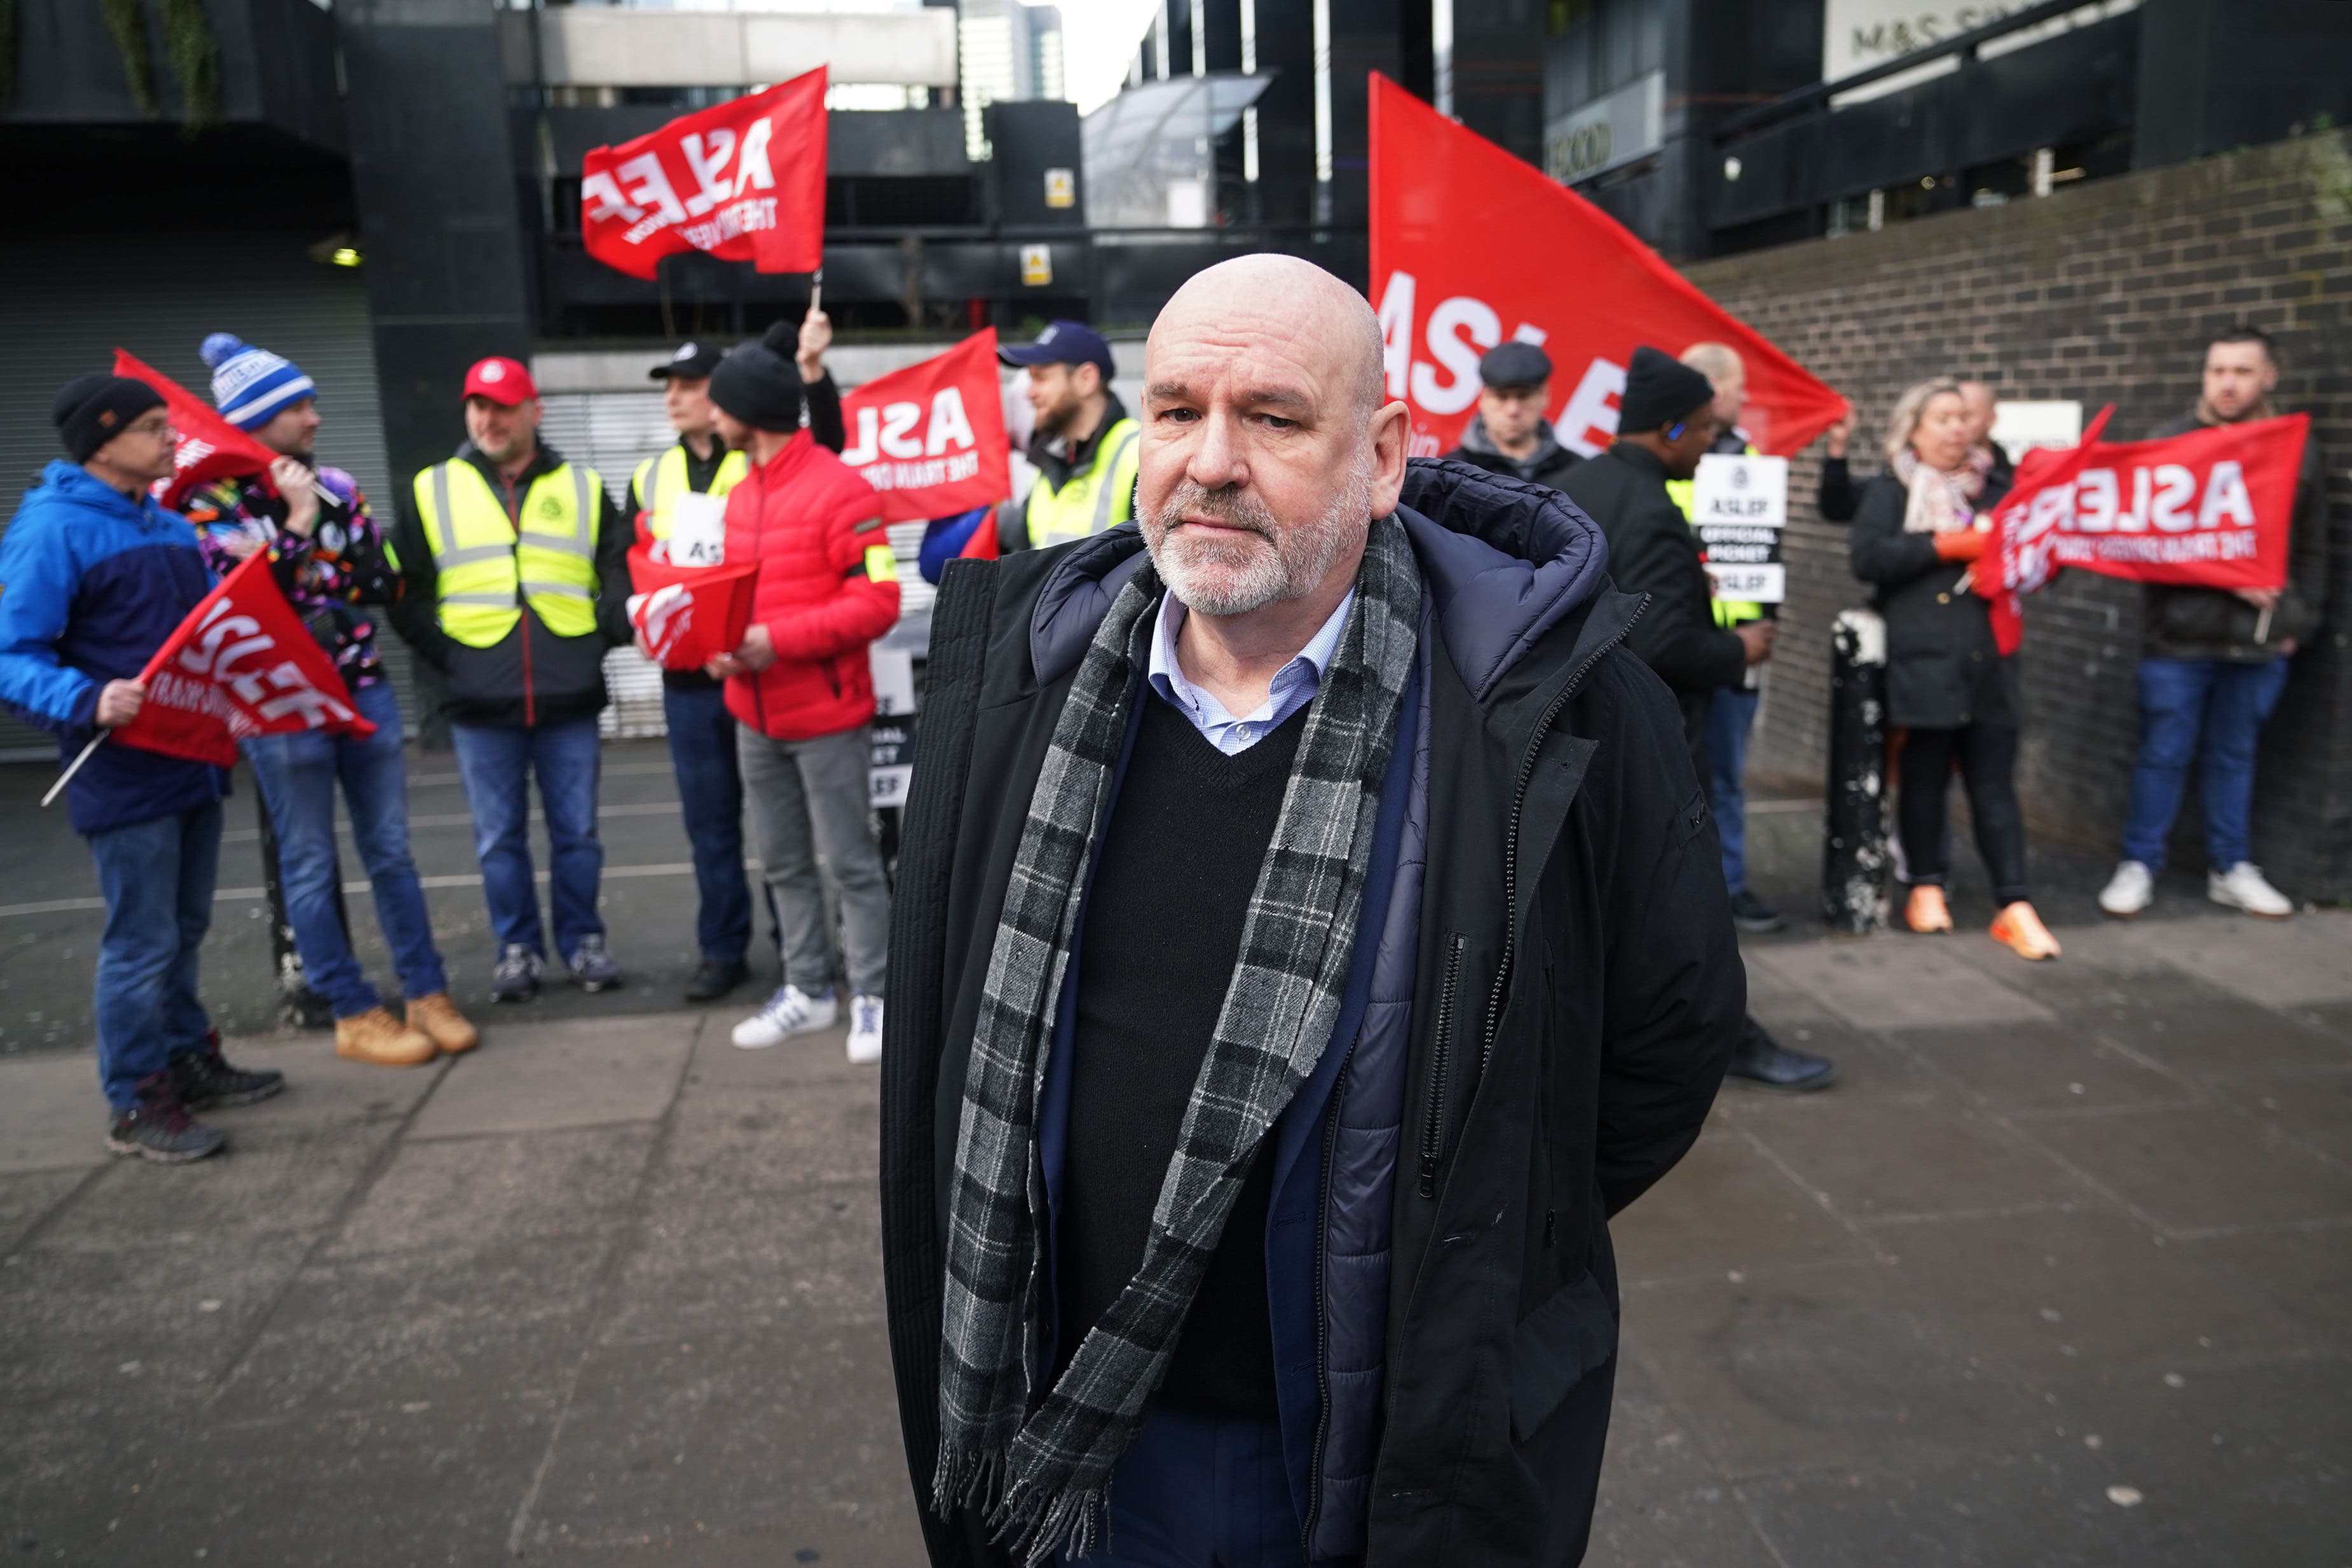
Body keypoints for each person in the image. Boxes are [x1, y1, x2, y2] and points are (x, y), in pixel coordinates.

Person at [879, 257, 1742, 1567]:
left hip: (1377, 1454)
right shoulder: (1021, 677)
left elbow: (1659, 1048)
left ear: (1383, 455)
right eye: (1174, 412)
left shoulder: (1555, 709)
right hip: (1063, 1440)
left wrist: (1473, 1237)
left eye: (1271, 418)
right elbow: (944, 1033)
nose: (1209, 462)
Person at [0, 374, 285, 1161]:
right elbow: (10, 654)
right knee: (140, 939)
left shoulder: (163, 524)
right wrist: (86, 699)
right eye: (155, 427)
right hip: (120, 766)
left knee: (183, 926)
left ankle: (184, 1058)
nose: (171, 439)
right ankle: (134, 1100)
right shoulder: (52, 528)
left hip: (190, 757)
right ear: (104, 440)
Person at [186, 335, 476, 1067]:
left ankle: (426, 990)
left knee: (392, 853)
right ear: (256, 420)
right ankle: (351, 1009)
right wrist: (297, 528)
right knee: (309, 863)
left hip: (359, 683)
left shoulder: (338, 486)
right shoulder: (207, 502)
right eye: (298, 408)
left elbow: (376, 582)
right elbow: (245, 604)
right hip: (276, 702)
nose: (315, 419)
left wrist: (325, 550)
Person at [1558, 347, 1835, 1093]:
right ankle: (1729, 1039)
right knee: (1690, 909)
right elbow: (1660, 645)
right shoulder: (1652, 510)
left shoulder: (1573, 484)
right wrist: (1735, 646)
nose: (1713, 443)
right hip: (1657, 745)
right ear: (1670, 429)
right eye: (1706, 430)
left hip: (1575, 740)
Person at [389, 357, 633, 1002]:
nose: (487, 419)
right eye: (477, 407)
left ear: (534, 411)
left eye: (501, 406)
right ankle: (516, 949)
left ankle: (583, 941)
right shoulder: (431, 487)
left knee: (577, 833)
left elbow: (617, 571)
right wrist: (449, 657)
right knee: (499, 840)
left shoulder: (582, 486)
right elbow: (403, 589)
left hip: (568, 693)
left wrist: (596, 641)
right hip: (478, 697)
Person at [700, 322, 899, 1065]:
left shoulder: (843, 489)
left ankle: (873, 995)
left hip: (823, 714)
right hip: (753, 712)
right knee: (781, 862)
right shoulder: (737, 492)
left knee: (850, 862)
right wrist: (718, 649)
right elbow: (731, 600)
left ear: (748, 411)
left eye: (720, 404)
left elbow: (879, 600)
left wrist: (775, 642)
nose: (710, 415)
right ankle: (809, 991)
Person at [2100, 326, 2330, 920]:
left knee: (2236, 755)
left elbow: (2312, 548)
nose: (2228, 383)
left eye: (2242, 371)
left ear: (2268, 377)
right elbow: (2146, 543)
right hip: (2177, 641)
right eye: (2217, 370)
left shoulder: (2296, 447)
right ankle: (2139, 864)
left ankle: (2231, 867)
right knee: (2164, 753)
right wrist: (2227, 577)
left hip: (2257, 645)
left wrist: (2294, 624)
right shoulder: (2170, 442)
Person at [1849, 377, 2060, 960]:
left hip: (1990, 658)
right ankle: (1926, 886)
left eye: (1964, 416)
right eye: (1943, 417)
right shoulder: (1892, 488)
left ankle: (2013, 901)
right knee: (1925, 778)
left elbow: (2039, 550)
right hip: (1925, 659)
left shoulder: (2002, 484)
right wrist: (1947, 545)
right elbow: (1869, 559)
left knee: (1994, 783)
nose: (1957, 427)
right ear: (1914, 427)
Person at [1665, 341, 1782, 933]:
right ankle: (1697, 889)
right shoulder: (1673, 455)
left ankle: (1730, 885)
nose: (1746, 397)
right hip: (1691, 644)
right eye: (1739, 386)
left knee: (1729, 773)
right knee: (1688, 772)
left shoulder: (1751, 457)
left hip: (1737, 642)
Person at [963, 320, 1138, 557]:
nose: (1029, 393)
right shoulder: (1050, 459)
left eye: (1040, 378)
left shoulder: (1137, 454)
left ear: (1086, 379)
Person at [1440, 339, 1582, 489]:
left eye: (1524, 396)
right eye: (1501, 397)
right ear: (1483, 398)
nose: (1513, 410)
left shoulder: (1578, 473)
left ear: (1545, 396)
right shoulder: (1449, 475)